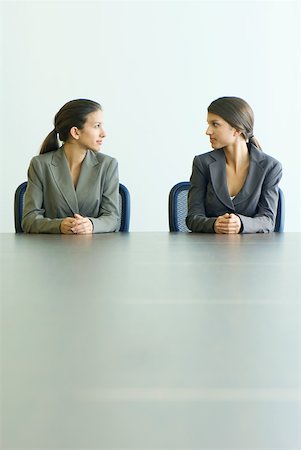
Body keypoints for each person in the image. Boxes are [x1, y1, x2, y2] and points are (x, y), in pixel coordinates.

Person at [186, 96, 282, 233]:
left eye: (215, 124)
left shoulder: (270, 167)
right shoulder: (202, 163)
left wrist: (241, 224)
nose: (208, 131)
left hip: (253, 250)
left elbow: (267, 220)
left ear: (237, 130)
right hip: (209, 249)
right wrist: (214, 224)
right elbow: (192, 218)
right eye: (208, 124)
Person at [22, 99, 119, 234]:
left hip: (95, 251)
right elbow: (29, 220)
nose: (103, 133)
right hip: (51, 250)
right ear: (75, 132)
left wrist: (91, 225)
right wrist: (59, 225)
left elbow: (113, 218)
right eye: (97, 126)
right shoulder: (40, 165)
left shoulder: (108, 165)